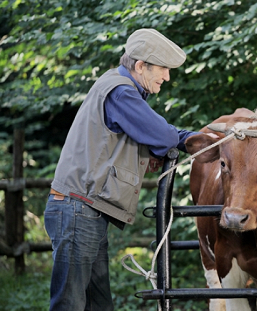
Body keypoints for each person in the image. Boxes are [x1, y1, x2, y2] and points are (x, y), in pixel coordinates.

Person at [44, 28, 214, 311]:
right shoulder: (121, 92)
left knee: (98, 306)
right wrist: (194, 139)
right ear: (140, 66)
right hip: (79, 210)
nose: (167, 77)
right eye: (163, 69)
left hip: (84, 210)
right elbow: (163, 136)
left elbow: (119, 147)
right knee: (69, 304)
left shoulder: (115, 85)